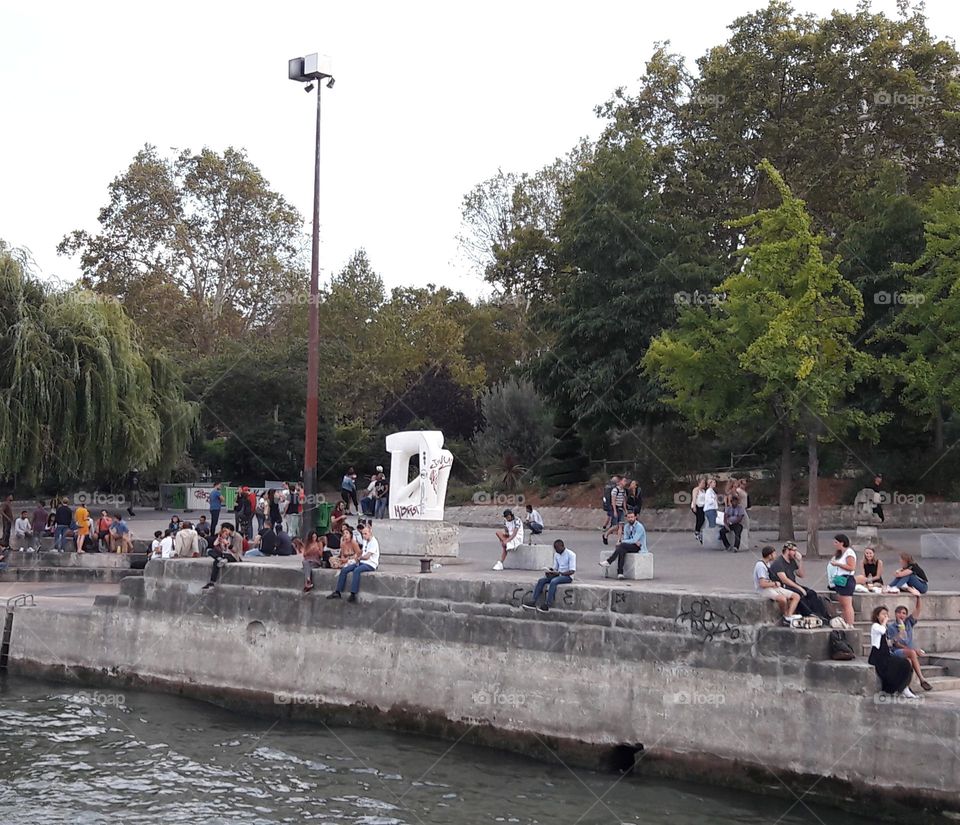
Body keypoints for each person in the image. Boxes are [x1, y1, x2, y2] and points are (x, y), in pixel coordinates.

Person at [768, 542, 830, 620]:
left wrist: (800, 561)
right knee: (799, 594)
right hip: (784, 586)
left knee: (811, 593)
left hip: (793, 584)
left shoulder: (792, 561)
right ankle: (808, 613)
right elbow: (784, 580)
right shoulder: (778, 562)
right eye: (794, 550)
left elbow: (801, 575)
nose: (796, 553)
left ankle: (821, 613)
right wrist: (799, 588)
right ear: (787, 550)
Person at [869, 606, 917, 698]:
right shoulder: (875, 626)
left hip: (886, 654)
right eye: (883, 614)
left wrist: (899, 635)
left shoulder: (884, 627)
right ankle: (895, 688)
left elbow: (889, 642)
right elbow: (882, 631)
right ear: (877, 616)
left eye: (886, 614)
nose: (885, 616)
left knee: (905, 663)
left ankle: (904, 687)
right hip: (878, 656)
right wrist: (885, 622)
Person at [887, 598, 933, 691]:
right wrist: (914, 650)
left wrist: (918, 597)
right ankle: (922, 679)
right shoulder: (891, 627)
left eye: (904, 613)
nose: (901, 615)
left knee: (909, 661)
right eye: (899, 613)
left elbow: (918, 610)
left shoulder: (908, 623)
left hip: (908, 651)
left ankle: (906, 686)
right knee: (912, 653)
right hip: (897, 651)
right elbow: (895, 644)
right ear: (895, 614)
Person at [327, 522, 379, 603]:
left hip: (370, 564)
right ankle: (338, 591)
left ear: (370, 533)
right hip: (362, 561)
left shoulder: (374, 542)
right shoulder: (365, 540)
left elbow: (367, 556)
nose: (364, 536)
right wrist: (356, 556)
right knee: (344, 570)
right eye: (363, 534)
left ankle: (353, 594)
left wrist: (358, 558)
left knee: (356, 570)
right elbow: (363, 551)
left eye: (365, 534)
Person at [522, 539, 577, 613]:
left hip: (567, 576)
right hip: (558, 574)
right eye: (555, 548)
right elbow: (555, 568)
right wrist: (550, 571)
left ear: (562, 546)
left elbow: (572, 571)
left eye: (557, 548)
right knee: (541, 581)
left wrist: (560, 573)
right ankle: (533, 601)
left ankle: (547, 604)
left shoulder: (571, 555)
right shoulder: (557, 555)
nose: (556, 550)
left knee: (553, 582)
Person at [753, 545, 800, 619]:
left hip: (772, 587)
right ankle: (785, 615)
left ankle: (789, 614)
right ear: (769, 555)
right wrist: (775, 583)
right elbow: (762, 584)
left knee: (796, 596)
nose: (776, 555)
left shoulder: (768, 564)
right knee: (782, 599)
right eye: (774, 554)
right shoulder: (760, 566)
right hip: (764, 590)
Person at [600, 511, 647, 579]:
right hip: (630, 545)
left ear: (635, 517)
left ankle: (609, 561)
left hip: (639, 547)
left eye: (632, 517)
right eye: (629, 517)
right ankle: (620, 573)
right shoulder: (626, 527)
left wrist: (622, 541)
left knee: (621, 546)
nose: (630, 519)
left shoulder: (639, 527)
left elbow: (633, 540)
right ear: (627, 518)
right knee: (621, 550)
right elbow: (627, 539)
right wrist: (627, 541)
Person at [202, 523, 244, 591]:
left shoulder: (237, 536)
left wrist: (227, 543)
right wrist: (220, 541)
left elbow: (235, 550)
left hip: (235, 556)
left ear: (229, 529)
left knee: (216, 562)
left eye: (225, 529)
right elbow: (218, 546)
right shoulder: (226, 535)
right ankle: (220, 559)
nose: (223, 531)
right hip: (225, 554)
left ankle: (212, 581)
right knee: (210, 551)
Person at [827, 534, 857, 627]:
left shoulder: (849, 553)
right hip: (839, 578)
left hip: (847, 579)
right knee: (843, 603)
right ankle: (844, 622)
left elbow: (851, 567)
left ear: (842, 543)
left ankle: (850, 623)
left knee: (847, 604)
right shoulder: (840, 554)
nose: (834, 544)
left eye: (836, 542)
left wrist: (838, 564)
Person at [602, 478, 628, 545]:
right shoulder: (615, 490)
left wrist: (625, 510)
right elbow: (613, 501)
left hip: (621, 509)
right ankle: (606, 534)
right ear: (620, 482)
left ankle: (618, 540)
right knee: (616, 526)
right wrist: (615, 511)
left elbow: (624, 501)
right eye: (624, 481)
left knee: (621, 525)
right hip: (615, 508)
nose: (625, 482)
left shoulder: (623, 491)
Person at [691, 478, 707, 544]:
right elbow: (694, 498)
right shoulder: (696, 489)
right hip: (697, 506)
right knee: (701, 519)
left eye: (704, 483)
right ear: (699, 483)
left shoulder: (703, 491)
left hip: (702, 506)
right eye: (702, 483)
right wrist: (694, 506)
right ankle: (697, 531)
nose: (703, 484)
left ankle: (699, 533)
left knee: (701, 519)